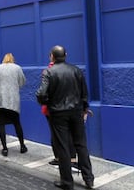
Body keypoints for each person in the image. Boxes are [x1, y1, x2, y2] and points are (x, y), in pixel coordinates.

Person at [36, 45, 94, 190]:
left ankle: (67, 182)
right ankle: (89, 178)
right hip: (76, 111)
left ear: (51, 56)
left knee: (62, 146)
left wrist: (48, 103)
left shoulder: (48, 72)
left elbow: (41, 94)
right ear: (66, 55)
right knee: (81, 144)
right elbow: (84, 93)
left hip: (58, 113)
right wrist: (85, 108)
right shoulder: (76, 70)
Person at [0, 53, 27, 157]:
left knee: (1, 124)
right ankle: (22, 146)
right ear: (13, 59)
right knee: (17, 123)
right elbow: (22, 82)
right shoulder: (17, 68)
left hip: (0, 99)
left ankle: (4, 148)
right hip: (13, 100)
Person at [41, 56, 78, 169]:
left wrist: (45, 102)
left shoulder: (48, 72)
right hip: (70, 107)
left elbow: (43, 92)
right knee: (69, 134)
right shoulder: (71, 70)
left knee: (56, 134)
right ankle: (72, 158)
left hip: (53, 109)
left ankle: (59, 158)